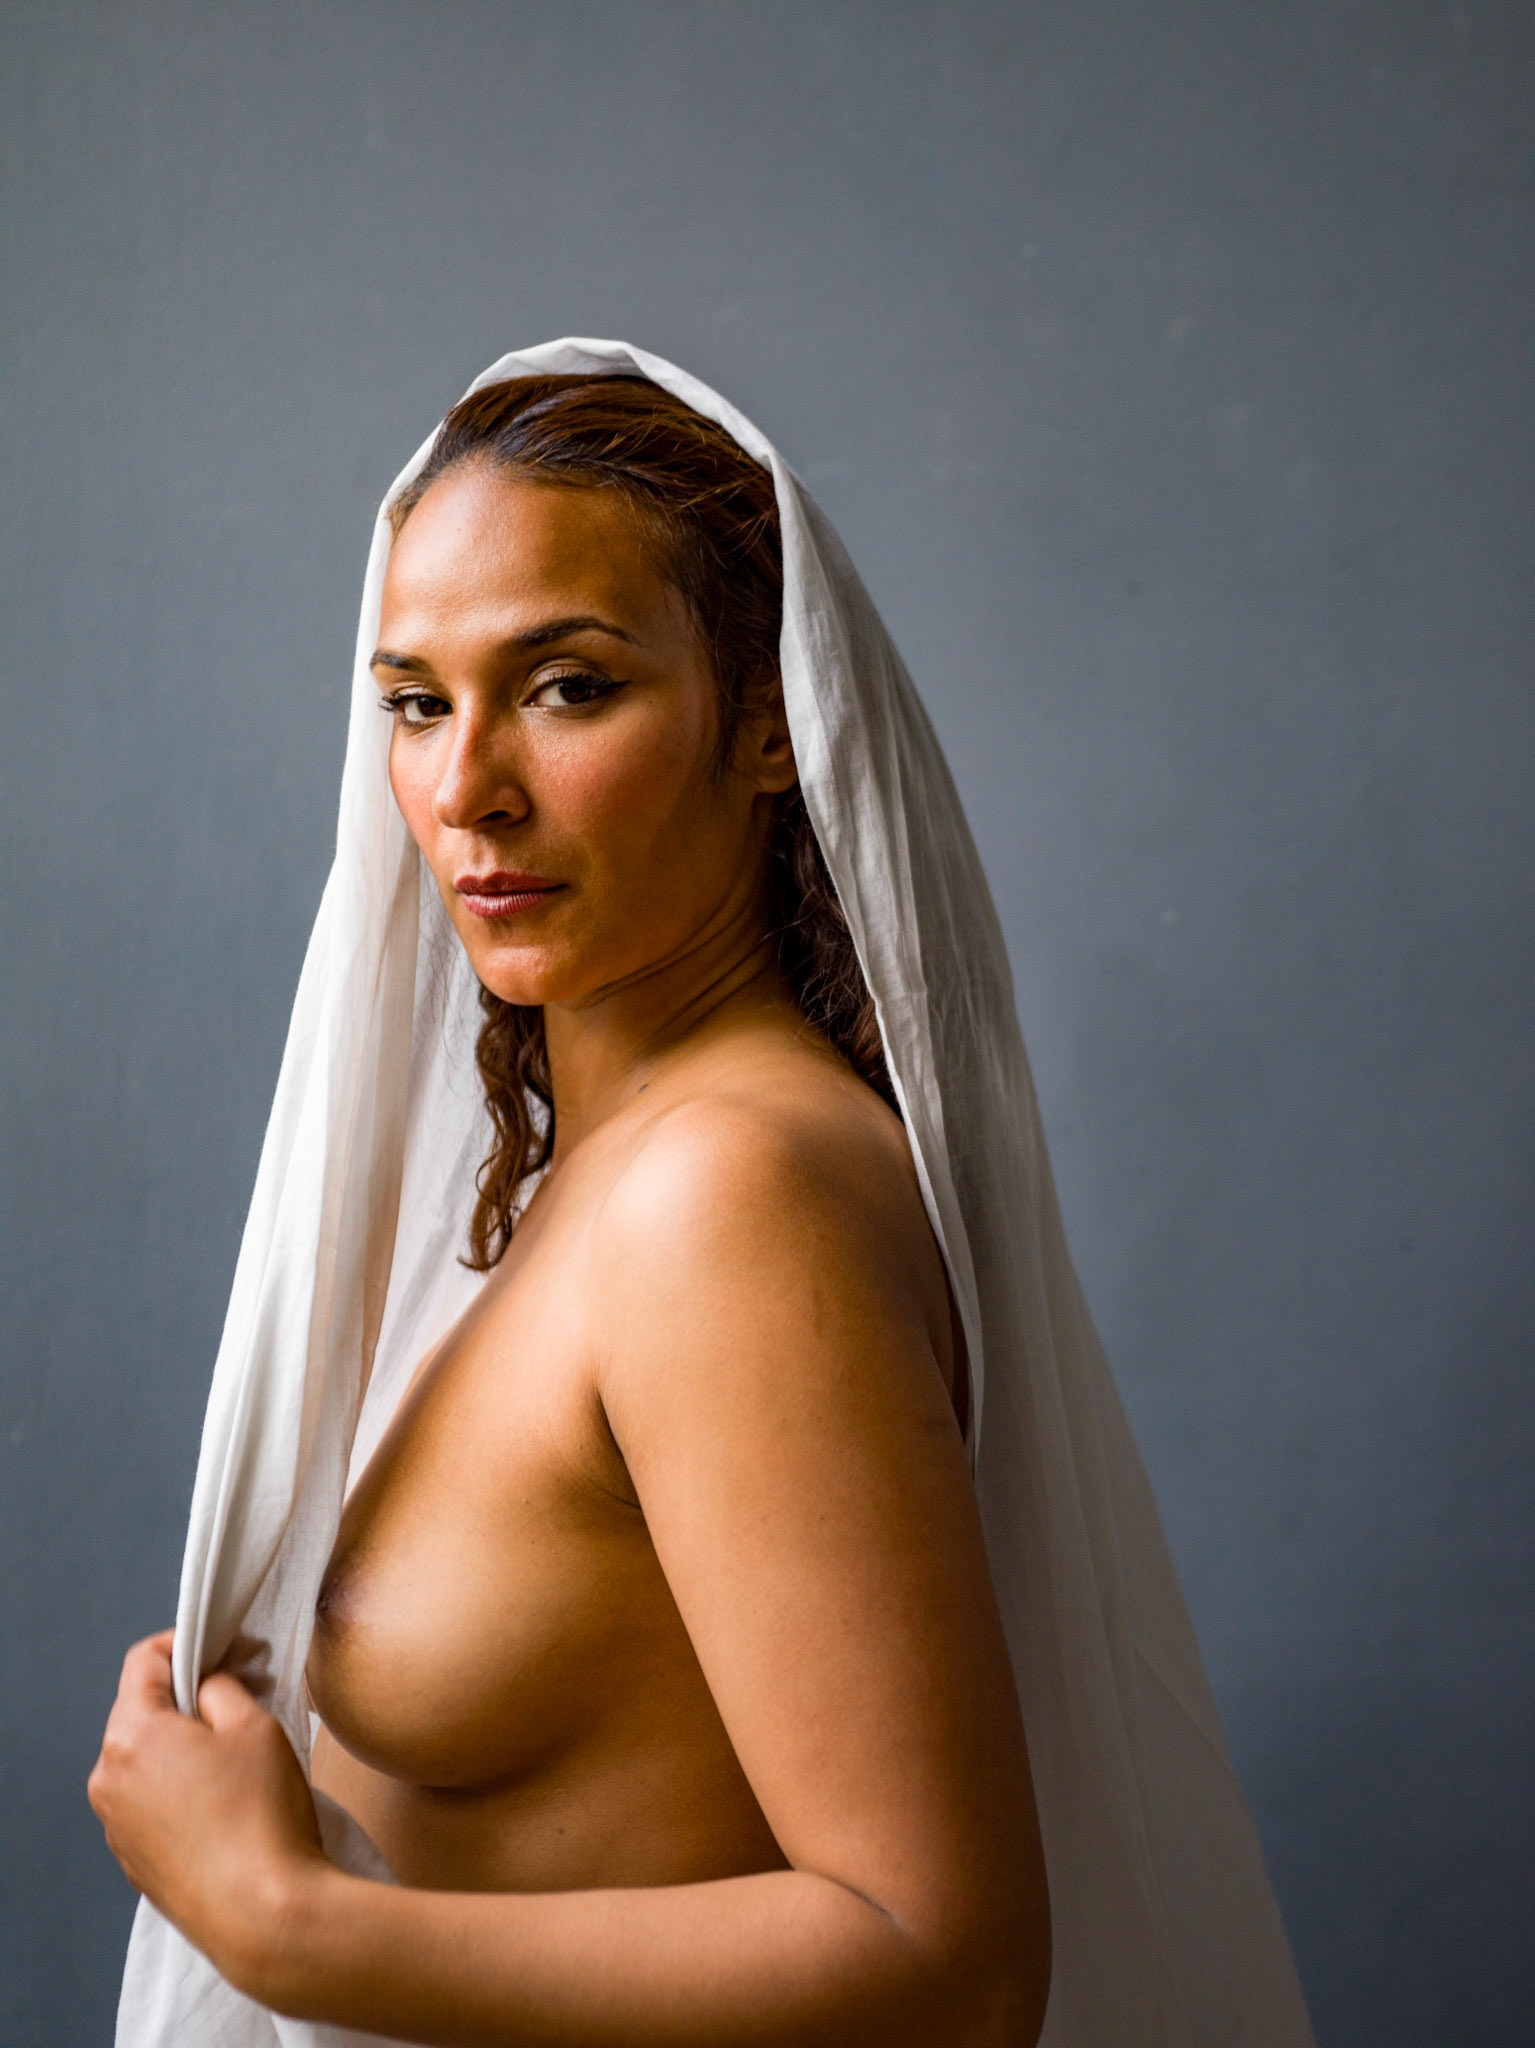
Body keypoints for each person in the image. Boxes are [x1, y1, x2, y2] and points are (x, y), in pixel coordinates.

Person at [91, 343, 1316, 2048]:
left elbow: (948, 1966)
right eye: (417, 703)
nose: (467, 788)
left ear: (765, 722)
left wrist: (284, 1927)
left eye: (567, 687)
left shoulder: (726, 1197)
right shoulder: (602, 1175)